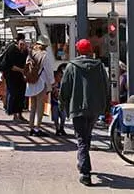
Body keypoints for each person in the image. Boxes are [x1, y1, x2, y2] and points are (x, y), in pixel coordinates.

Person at [60, 39, 109, 187]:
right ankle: (83, 162)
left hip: (77, 107)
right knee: (87, 136)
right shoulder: (99, 66)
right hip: (94, 108)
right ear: (90, 51)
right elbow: (106, 86)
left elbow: (65, 87)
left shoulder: (71, 67)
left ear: (78, 50)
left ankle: (85, 172)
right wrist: (105, 105)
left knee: (81, 138)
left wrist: (63, 103)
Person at [0, 33, 29, 120]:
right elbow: (10, 65)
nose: (22, 45)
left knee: (21, 94)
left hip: (20, 76)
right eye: (21, 44)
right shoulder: (12, 49)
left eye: (24, 43)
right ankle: (14, 115)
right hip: (11, 75)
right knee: (13, 93)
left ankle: (20, 114)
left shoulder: (25, 50)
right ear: (17, 42)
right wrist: (22, 71)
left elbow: (26, 61)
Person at [25, 38, 54, 136]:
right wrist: (52, 82)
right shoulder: (45, 55)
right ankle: (37, 128)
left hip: (31, 82)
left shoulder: (31, 54)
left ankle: (31, 127)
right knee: (40, 107)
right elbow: (49, 71)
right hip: (41, 82)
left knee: (32, 106)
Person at [50, 66, 66, 136]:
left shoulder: (63, 84)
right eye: (59, 76)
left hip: (62, 103)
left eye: (61, 76)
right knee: (55, 117)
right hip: (54, 104)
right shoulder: (52, 84)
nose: (60, 78)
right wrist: (53, 89)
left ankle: (62, 127)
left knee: (63, 116)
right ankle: (57, 129)